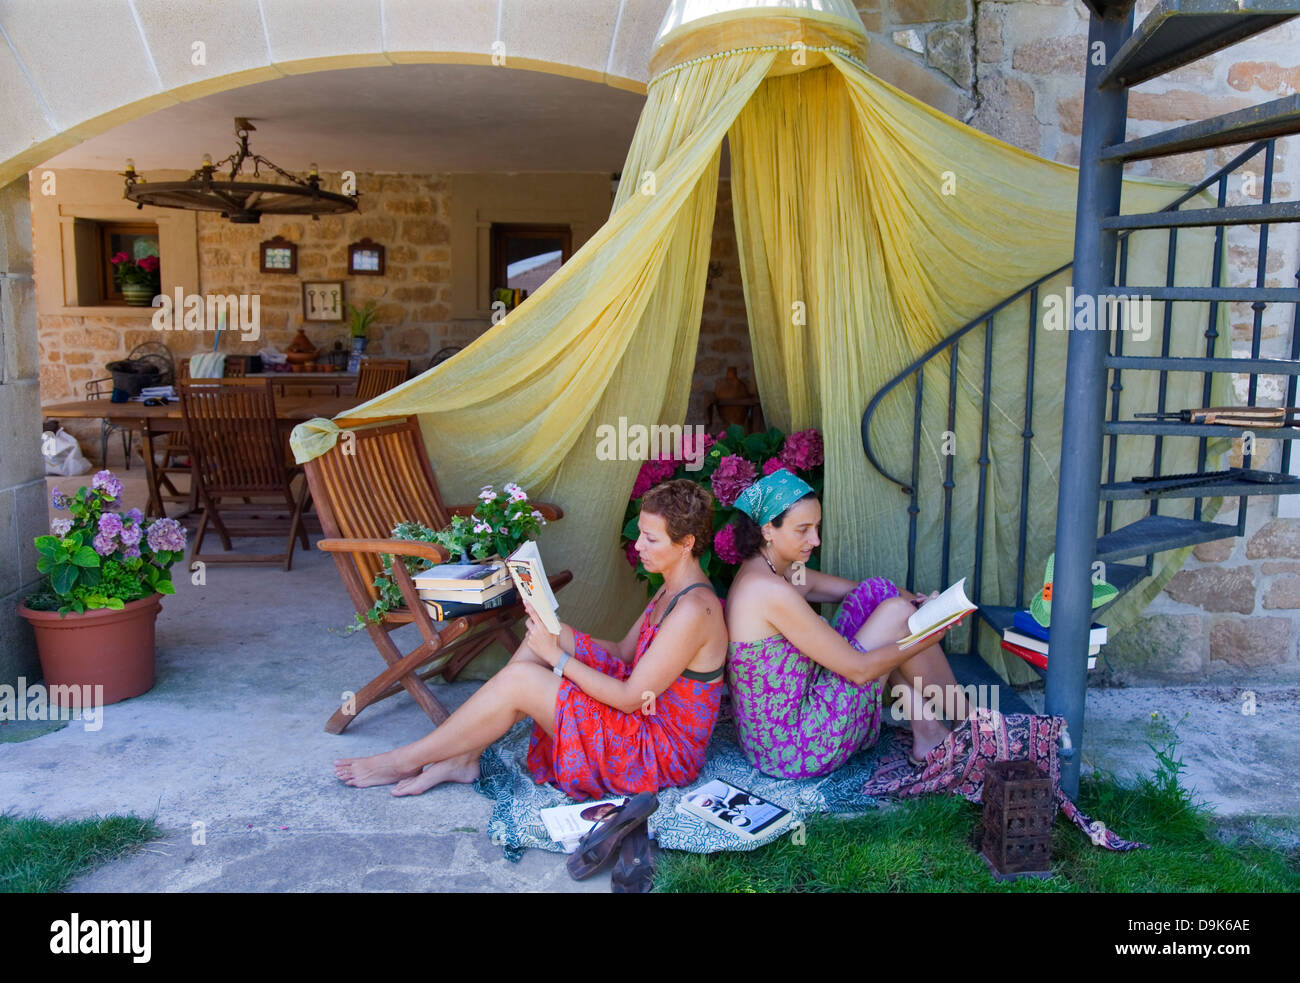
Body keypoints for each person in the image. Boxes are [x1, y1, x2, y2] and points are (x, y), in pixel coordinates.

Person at [334, 479, 728, 799]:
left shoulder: (695, 609)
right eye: (640, 534)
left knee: (528, 672)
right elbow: (626, 653)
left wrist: (557, 659)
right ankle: (463, 756)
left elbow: (629, 697)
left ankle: (405, 760)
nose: (638, 545)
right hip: (641, 719)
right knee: (548, 634)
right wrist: (553, 633)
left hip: (655, 752)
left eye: (650, 539)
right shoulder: (670, 588)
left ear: (687, 543)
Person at [723, 468, 969, 779]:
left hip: (786, 726)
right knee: (894, 615)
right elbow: (859, 669)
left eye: (817, 527)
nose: (815, 539)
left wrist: (925, 607)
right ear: (768, 529)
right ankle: (969, 722)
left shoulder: (772, 571)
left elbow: (868, 591)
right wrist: (925, 635)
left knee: (882, 597)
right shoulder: (768, 591)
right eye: (803, 530)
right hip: (795, 748)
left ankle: (931, 732)